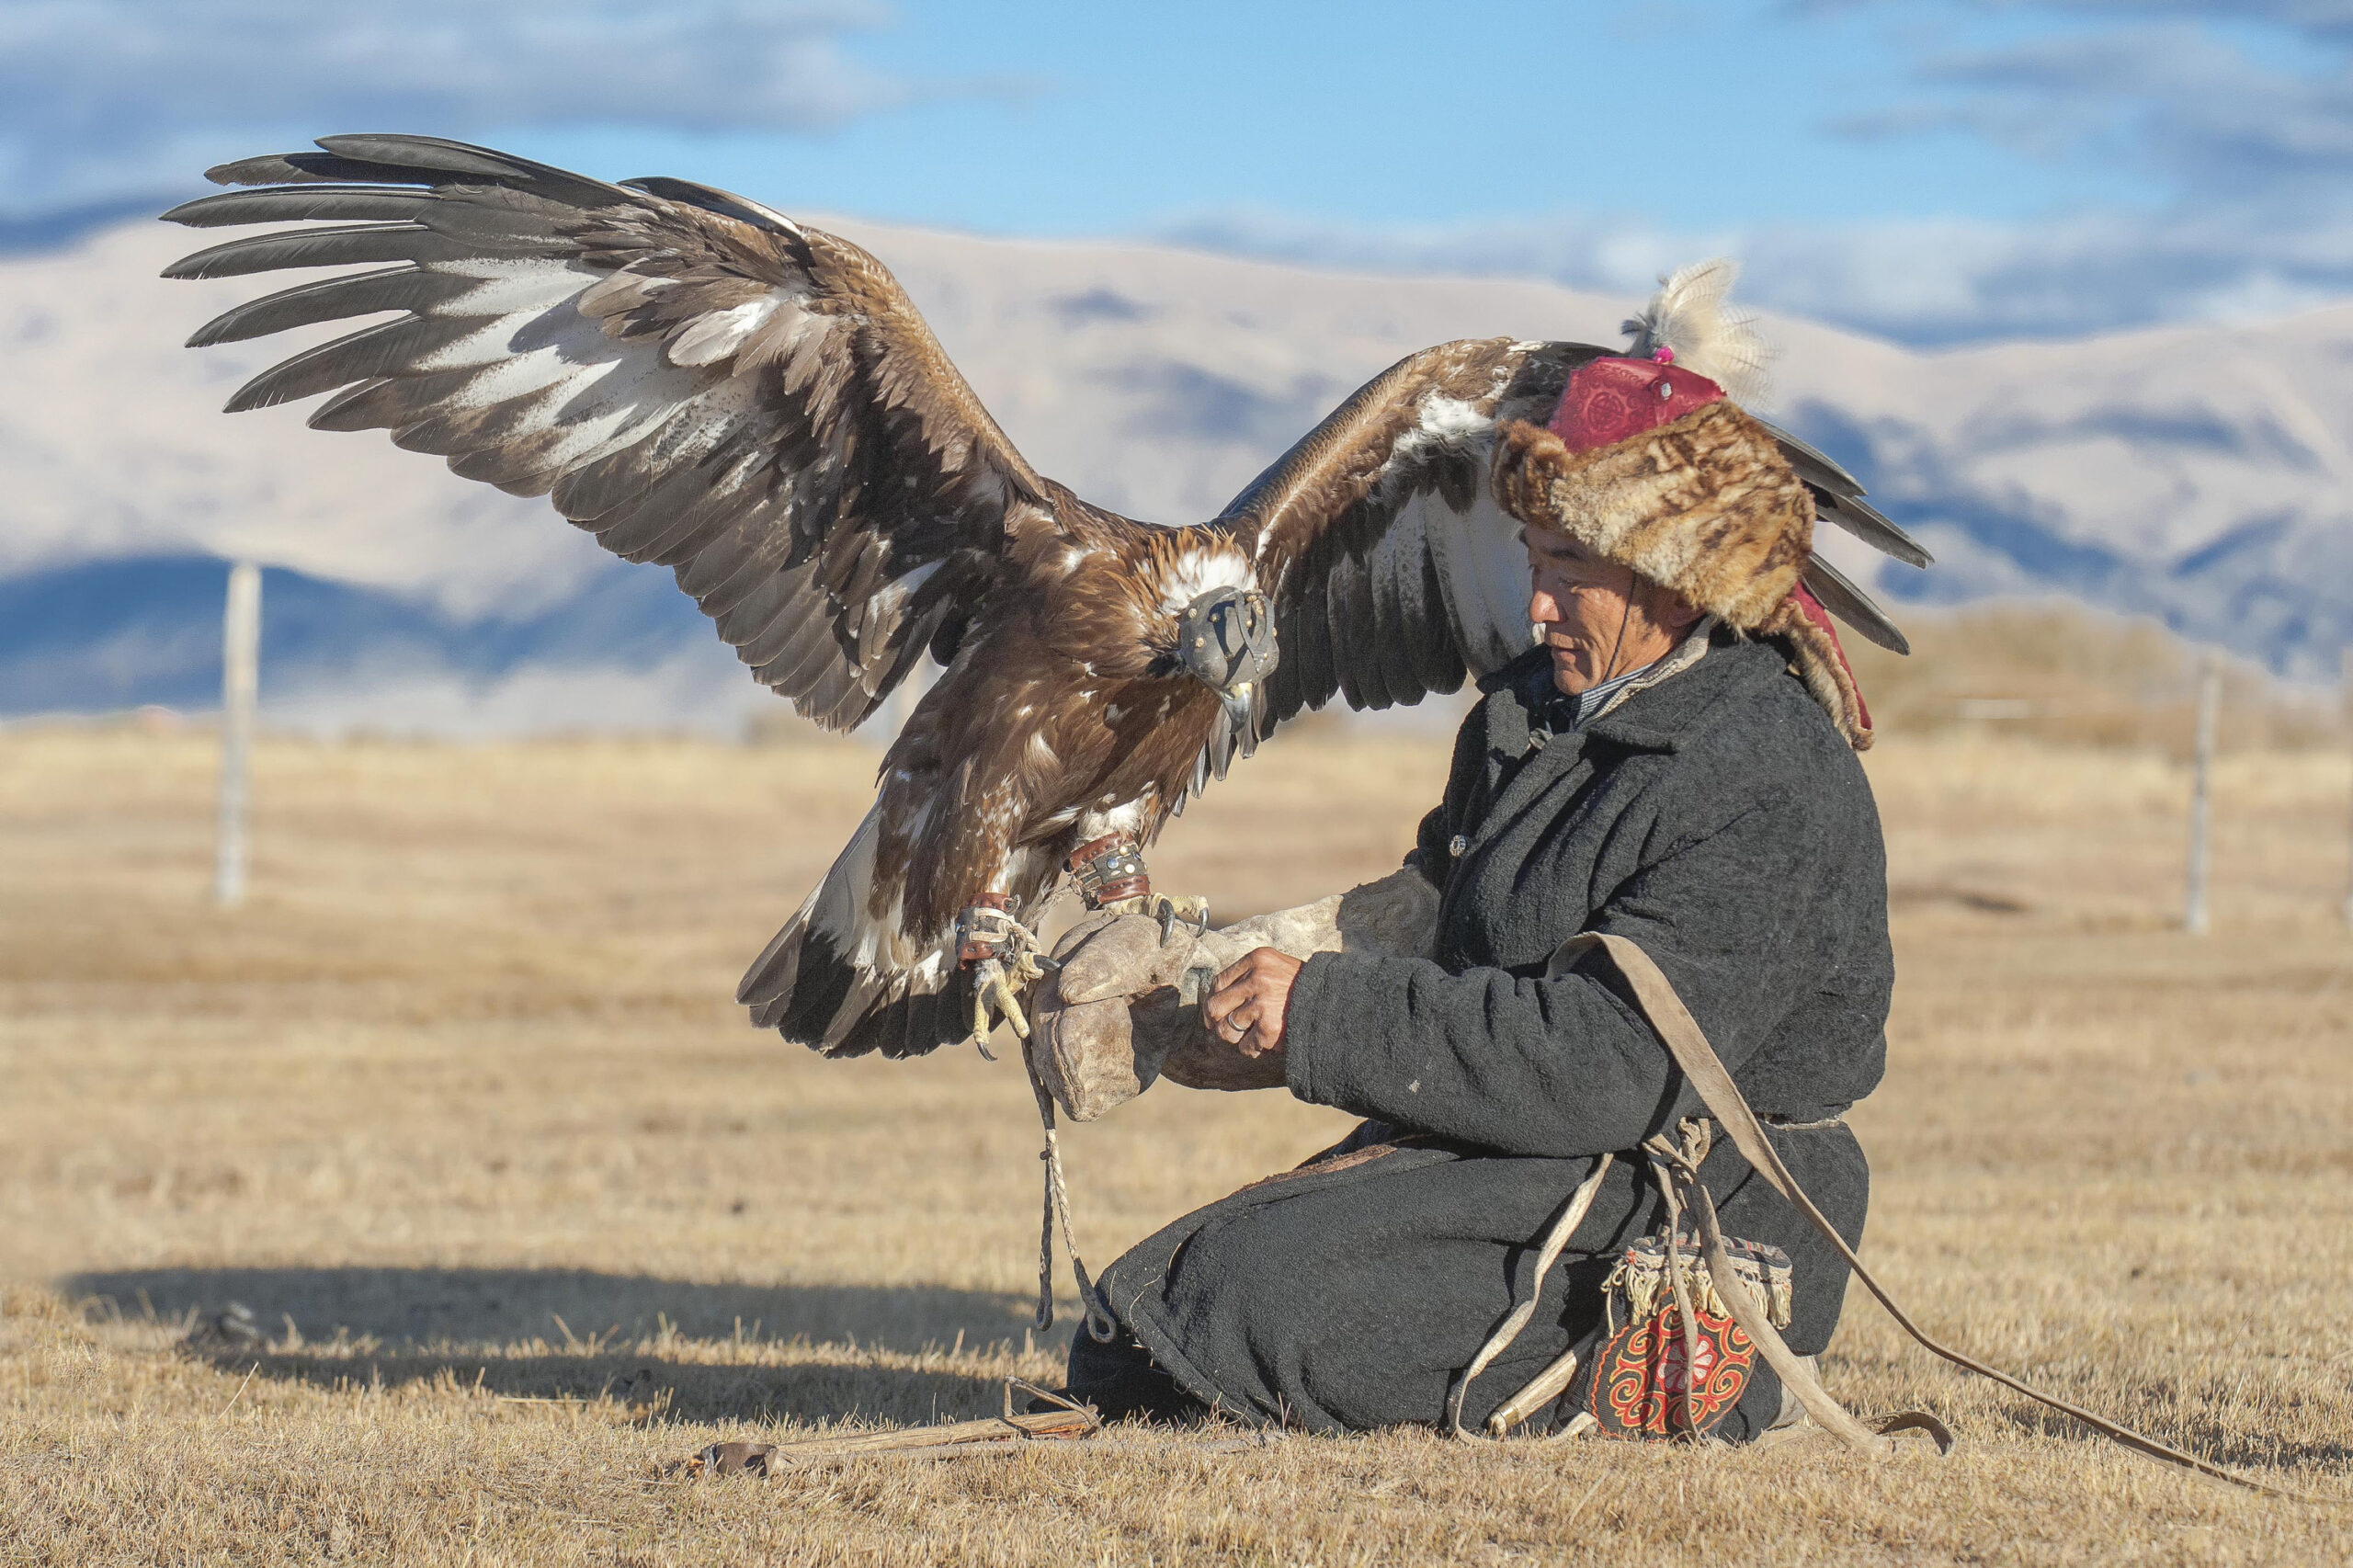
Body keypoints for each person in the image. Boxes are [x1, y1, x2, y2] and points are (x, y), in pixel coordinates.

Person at [1033, 348, 1893, 1442]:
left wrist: (1320, 1013)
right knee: (1151, 1323)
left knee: (1236, 1310)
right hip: (1540, 1139)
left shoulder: (1763, 769)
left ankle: (1733, 1372)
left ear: (1673, 571)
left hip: (1714, 1191)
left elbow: (1610, 1063)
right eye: (1533, 557)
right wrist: (1180, 990)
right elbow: (1429, 916)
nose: (1534, 604)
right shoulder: (1532, 715)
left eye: (1568, 565)